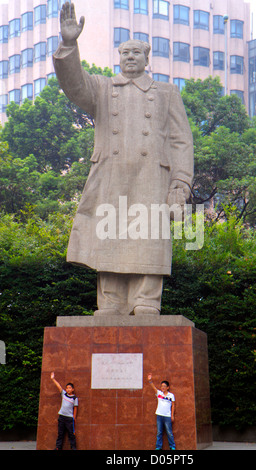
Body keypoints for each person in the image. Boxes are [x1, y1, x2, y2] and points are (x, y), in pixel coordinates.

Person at [53, 2, 194, 317]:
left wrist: (180, 184)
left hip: (152, 179)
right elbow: (73, 85)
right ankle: (112, 301)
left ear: (147, 59)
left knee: (149, 238)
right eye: (125, 53)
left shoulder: (167, 93)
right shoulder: (103, 88)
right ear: (118, 59)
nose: (130, 57)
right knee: (111, 235)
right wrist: (69, 44)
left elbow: (181, 140)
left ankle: (147, 300)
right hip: (111, 178)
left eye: (136, 53)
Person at [148, 373, 176, 450]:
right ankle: (158, 447)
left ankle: (172, 446)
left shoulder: (171, 395)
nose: (163, 387)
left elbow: (173, 405)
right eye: (162, 386)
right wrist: (150, 381)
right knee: (159, 432)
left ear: (168, 387)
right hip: (159, 415)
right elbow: (153, 388)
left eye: (164, 386)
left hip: (167, 416)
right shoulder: (159, 394)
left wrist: (172, 415)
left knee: (169, 432)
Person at [50, 372, 78, 450]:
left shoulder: (75, 398)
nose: (68, 389)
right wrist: (53, 379)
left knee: (71, 434)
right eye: (67, 388)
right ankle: (58, 447)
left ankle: (73, 448)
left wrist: (74, 418)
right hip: (62, 417)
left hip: (69, 418)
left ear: (73, 389)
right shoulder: (64, 394)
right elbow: (58, 386)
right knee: (60, 434)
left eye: (69, 388)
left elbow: (75, 408)